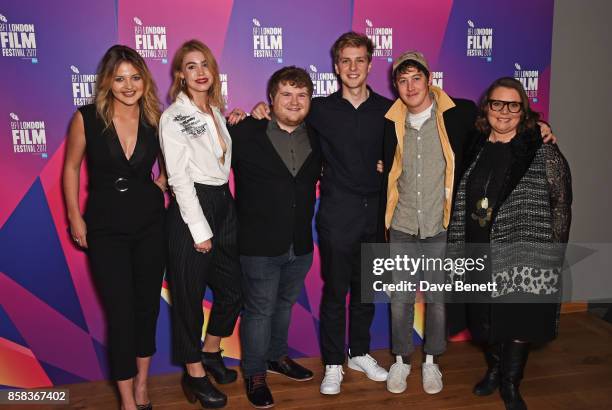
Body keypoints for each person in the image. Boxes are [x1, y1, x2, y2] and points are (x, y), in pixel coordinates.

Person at [381, 52, 558, 397]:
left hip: (440, 224)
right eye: (402, 80)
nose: (410, 86)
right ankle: (401, 360)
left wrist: (540, 128)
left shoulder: (458, 113)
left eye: (416, 78)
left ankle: (432, 360)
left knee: (438, 299)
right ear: (395, 86)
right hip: (402, 224)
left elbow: (502, 122)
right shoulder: (389, 121)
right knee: (400, 299)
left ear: (429, 79)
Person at [252, 32, 391, 395]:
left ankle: (358, 352)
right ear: (336, 66)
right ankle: (333, 362)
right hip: (337, 213)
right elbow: (286, 116)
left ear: (370, 64)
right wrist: (257, 110)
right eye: (345, 60)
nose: (353, 67)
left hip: (376, 214)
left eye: (359, 59)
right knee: (336, 292)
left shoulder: (390, 110)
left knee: (366, 289)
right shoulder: (321, 110)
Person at [447, 77, 572, 410]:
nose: (504, 112)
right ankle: (495, 369)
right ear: (486, 107)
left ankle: (510, 383)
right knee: (484, 319)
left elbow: (561, 202)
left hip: (523, 249)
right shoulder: (473, 142)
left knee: (517, 320)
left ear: (523, 110)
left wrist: (555, 252)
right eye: (497, 104)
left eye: (513, 105)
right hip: (476, 247)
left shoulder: (541, 148)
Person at [63, 45, 166, 410]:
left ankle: (141, 387)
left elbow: (178, 161)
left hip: (151, 226)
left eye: (135, 77)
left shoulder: (157, 118)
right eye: (119, 78)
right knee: (120, 313)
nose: (128, 85)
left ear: (144, 81)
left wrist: (161, 184)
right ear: (107, 81)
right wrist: (76, 217)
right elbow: (72, 168)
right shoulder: (87, 118)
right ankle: (126, 400)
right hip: (105, 227)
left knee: (147, 309)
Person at [230, 66, 321, 408]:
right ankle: (254, 372)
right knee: (259, 311)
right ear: (271, 99)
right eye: (286, 94)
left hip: (299, 245)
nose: (295, 102)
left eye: (302, 95)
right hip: (258, 246)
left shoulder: (317, 135)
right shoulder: (244, 131)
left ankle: (276, 356)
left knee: (283, 306)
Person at [159, 39, 243, 409]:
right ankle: (194, 375)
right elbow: (178, 179)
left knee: (233, 289)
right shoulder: (173, 117)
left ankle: (210, 352)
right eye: (191, 66)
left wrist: (235, 122)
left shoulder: (217, 113)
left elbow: (219, 157)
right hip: (191, 209)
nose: (200, 71)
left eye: (204, 64)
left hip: (223, 203)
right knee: (189, 299)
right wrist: (199, 229)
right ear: (180, 75)